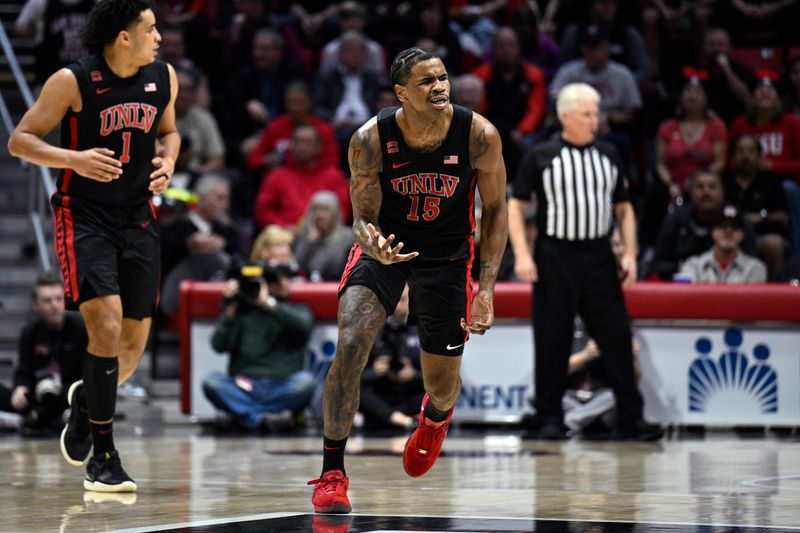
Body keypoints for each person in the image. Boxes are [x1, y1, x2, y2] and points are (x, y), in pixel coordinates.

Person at [307, 47, 508, 514]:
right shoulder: (369, 140)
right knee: (352, 342)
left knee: (441, 385)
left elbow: (496, 210)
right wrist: (372, 241)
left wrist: (487, 290)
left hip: (448, 255)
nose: (439, 87)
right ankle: (332, 472)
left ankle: (434, 420)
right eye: (426, 81)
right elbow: (361, 219)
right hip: (386, 249)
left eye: (442, 78)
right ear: (401, 92)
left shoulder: (479, 135)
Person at [7, 0, 179, 492]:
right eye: (150, 29)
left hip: (138, 218)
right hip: (83, 217)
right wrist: (73, 158)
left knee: (129, 350)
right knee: (102, 325)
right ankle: (103, 458)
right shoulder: (72, 80)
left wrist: (167, 162)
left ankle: (86, 404)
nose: (159, 37)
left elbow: (170, 133)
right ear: (123, 37)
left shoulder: (163, 76)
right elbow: (20, 140)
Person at [508, 83, 661, 442]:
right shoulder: (542, 155)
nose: (596, 121)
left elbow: (624, 208)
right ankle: (548, 416)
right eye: (588, 114)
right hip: (554, 255)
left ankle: (631, 416)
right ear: (566, 116)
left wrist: (631, 253)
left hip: (598, 256)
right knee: (551, 338)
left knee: (617, 336)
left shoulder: (609, 154)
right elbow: (516, 206)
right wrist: (524, 255)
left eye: (597, 114)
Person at [202, 260, 315, 432]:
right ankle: (262, 419)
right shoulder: (239, 313)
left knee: (305, 382)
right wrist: (229, 310)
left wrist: (267, 303)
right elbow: (218, 346)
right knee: (211, 381)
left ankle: (248, 415)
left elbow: (303, 326)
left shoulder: (297, 310)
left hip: (282, 385)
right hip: (244, 385)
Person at [0, 277, 87, 433]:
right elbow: (23, 369)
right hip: (38, 394)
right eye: (47, 301)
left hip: (68, 393)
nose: (54, 305)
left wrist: (61, 389)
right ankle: (38, 418)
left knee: (86, 394)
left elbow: (86, 374)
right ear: (36, 304)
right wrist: (20, 388)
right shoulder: (30, 332)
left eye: (59, 299)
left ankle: (32, 419)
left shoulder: (79, 328)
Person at [358, 285, 424, 430]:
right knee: (353, 388)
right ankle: (403, 421)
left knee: (442, 390)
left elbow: (436, 378)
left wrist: (413, 375)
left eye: (400, 300)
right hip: (381, 396)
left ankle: (389, 419)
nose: (395, 307)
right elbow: (350, 376)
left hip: (409, 398)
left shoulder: (421, 331)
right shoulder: (371, 331)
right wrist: (375, 372)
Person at [678, 204, 768, 283]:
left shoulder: (755, 268)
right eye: (722, 226)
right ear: (713, 232)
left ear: (742, 234)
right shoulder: (693, 266)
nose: (728, 231)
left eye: (734, 227)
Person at [293, 190, 354, 282]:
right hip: (309, 290)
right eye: (315, 209)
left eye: (325, 209)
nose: (320, 215)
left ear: (335, 213)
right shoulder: (304, 237)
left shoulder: (348, 238)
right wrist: (309, 242)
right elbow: (297, 267)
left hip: (337, 288)